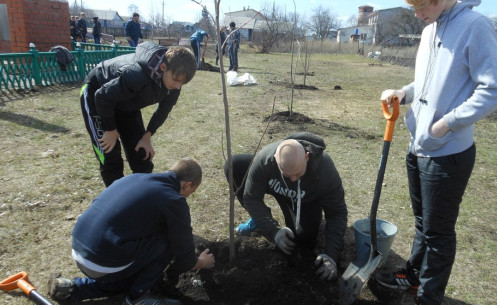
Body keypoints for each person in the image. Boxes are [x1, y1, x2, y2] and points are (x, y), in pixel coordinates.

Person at [375, 1, 497, 305]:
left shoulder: (475, 27)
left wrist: (449, 123)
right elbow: (428, 83)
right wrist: (404, 93)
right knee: (423, 222)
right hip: (418, 145)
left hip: (447, 153)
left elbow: (493, 89)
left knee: (438, 232)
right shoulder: (429, 30)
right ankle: (414, 275)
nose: (416, 14)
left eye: (421, 6)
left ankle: (429, 297)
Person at [48, 158, 215, 305]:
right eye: (190, 193)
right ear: (188, 185)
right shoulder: (173, 199)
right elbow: (183, 252)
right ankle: (137, 297)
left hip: (80, 248)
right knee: (168, 239)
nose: (187, 197)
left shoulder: (135, 178)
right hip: (103, 261)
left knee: (134, 278)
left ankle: (73, 289)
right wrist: (200, 262)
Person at [224, 132, 348, 281]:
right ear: (276, 159)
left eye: (298, 173)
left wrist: (331, 254)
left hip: (305, 199)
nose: (293, 179)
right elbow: (251, 198)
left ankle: (302, 224)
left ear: (307, 157)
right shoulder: (265, 160)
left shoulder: (324, 170)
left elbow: (337, 212)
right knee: (234, 165)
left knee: (301, 239)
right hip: (274, 185)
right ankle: (259, 220)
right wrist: (273, 231)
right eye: (287, 175)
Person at [79, 41, 197, 187]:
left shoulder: (174, 86)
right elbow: (102, 96)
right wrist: (110, 129)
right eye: (175, 80)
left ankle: (141, 196)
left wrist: (147, 137)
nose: (177, 86)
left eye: (182, 83)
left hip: (126, 101)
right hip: (97, 94)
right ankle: (118, 201)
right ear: (163, 67)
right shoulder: (136, 74)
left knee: (142, 157)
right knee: (110, 156)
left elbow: (163, 110)